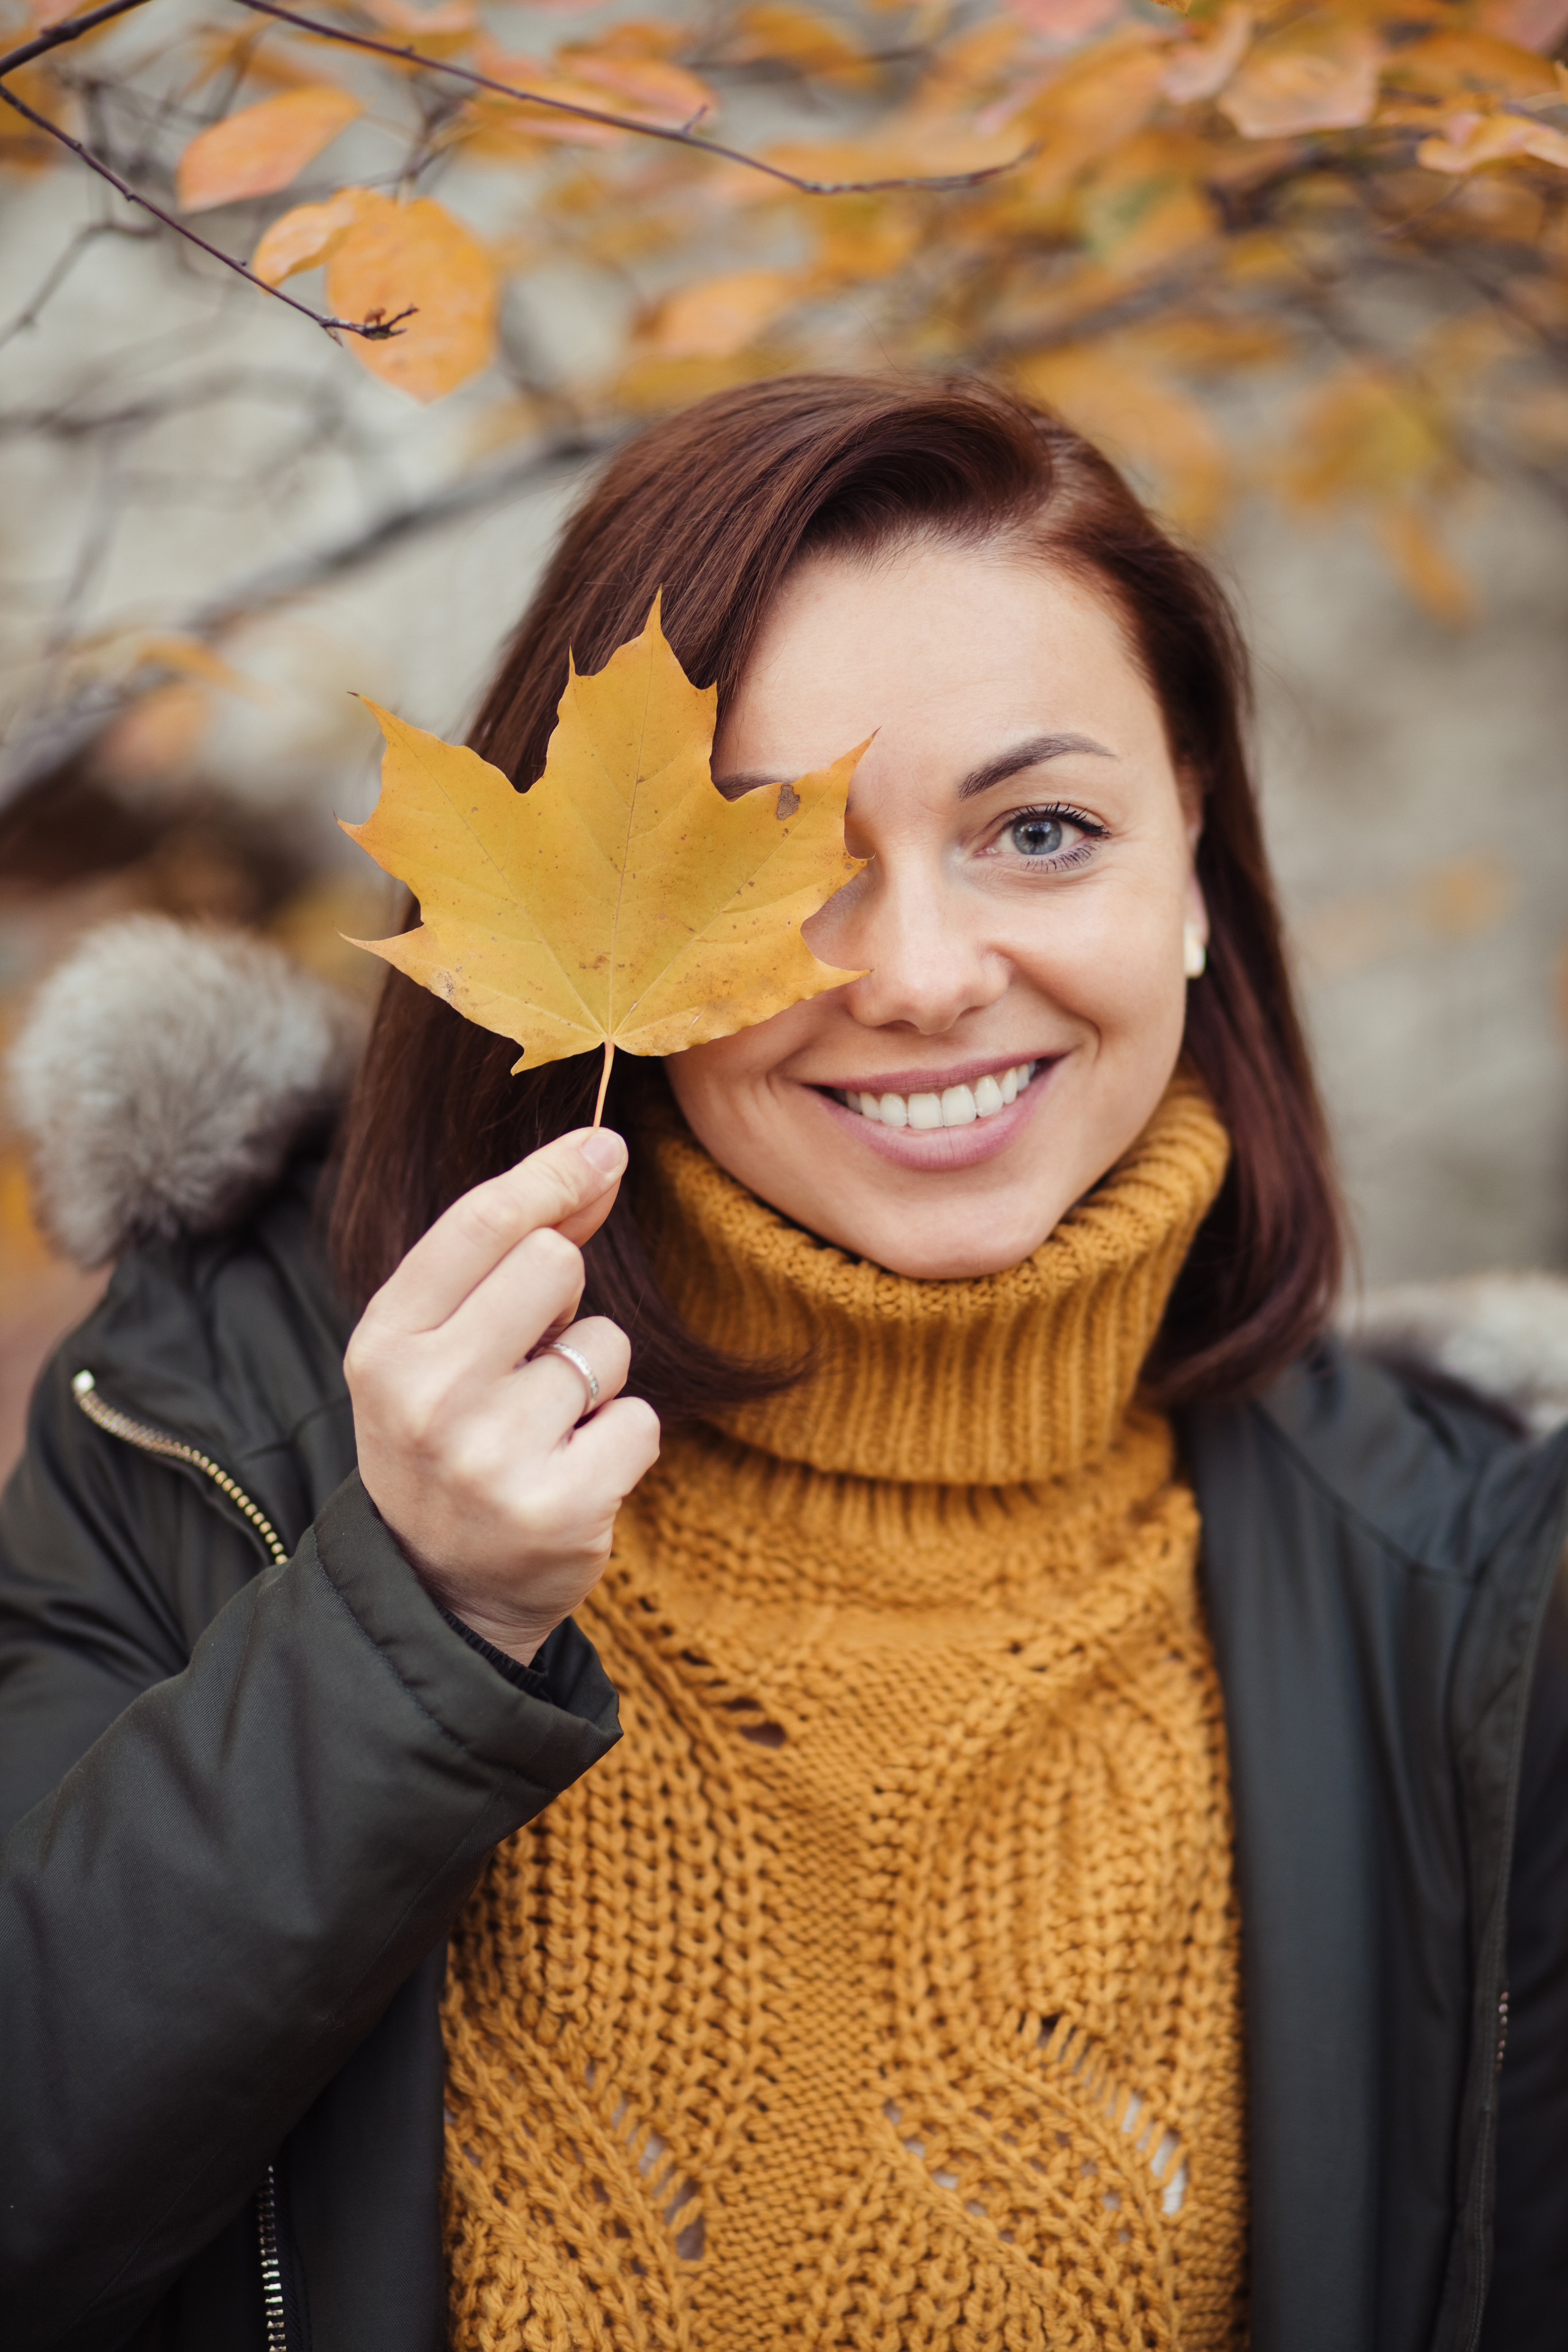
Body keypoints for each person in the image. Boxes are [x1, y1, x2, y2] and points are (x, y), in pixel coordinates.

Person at [2, 376, 1565, 2352]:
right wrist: (409, 1622)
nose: (919, 972)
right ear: (603, 916)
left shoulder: (1468, 1600)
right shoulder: (226, 1422)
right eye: (789, 851)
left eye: (1044, 829)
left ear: (1196, 881)